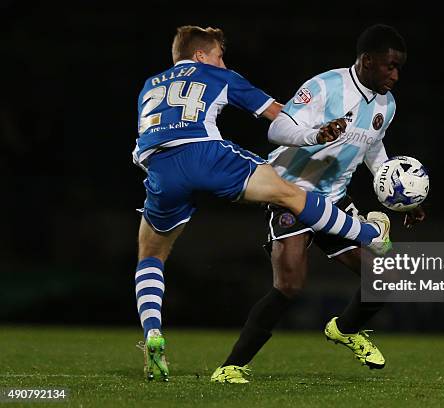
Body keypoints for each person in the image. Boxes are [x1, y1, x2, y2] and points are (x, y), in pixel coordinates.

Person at [132, 25, 393, 382]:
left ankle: (152, 334)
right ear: (201, 56)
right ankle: (370, 232)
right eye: (220, 56)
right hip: (207, 155)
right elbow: (279, 118)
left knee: (150, 255)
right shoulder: (233, 76)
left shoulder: (150, 84)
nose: (223, 63)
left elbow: (145, 139)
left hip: (159, 168)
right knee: (289, 203)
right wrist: (315, 130)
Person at [211, 24, 425, 384]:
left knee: (383, 277)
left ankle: (345, 329)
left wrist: (401, 198)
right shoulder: (325, 87)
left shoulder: (386, 104)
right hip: (290, 193)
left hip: (335, 200)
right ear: (367, 61)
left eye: (399, 67)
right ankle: (231, 366)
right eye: (389, 66)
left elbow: (372, 149)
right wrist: (315, 134)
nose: (395, 74)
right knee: (291, 285)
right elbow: (277, 129)